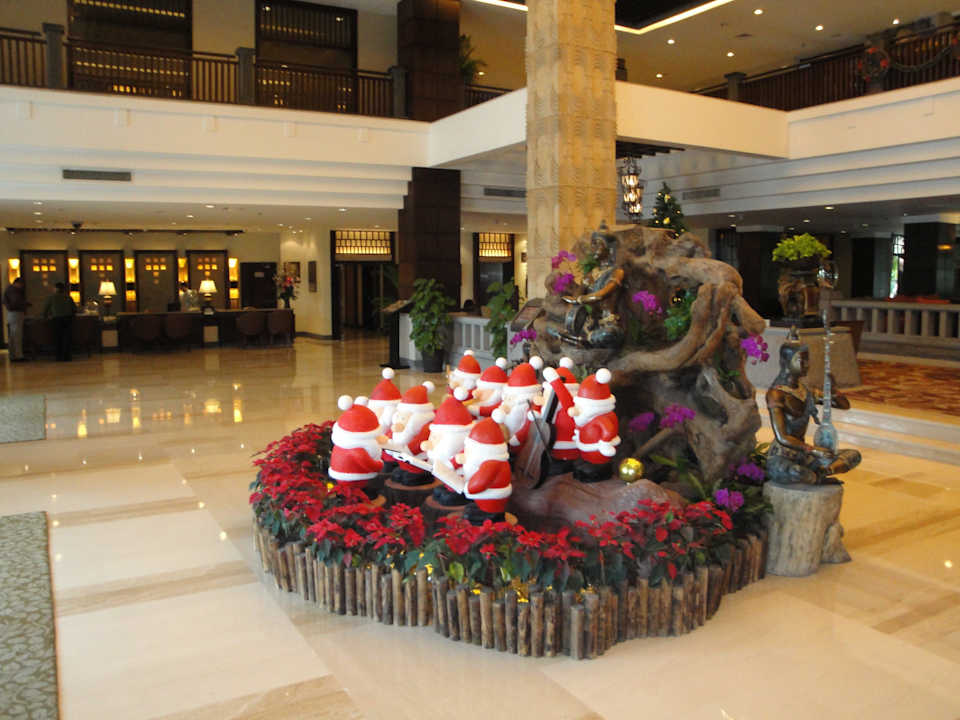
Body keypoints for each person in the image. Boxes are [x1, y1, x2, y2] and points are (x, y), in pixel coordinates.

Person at [766, 332, 861, 485]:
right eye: (801, 360)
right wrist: (813, 449)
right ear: (786, 362)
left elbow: (844, 405)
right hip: (782, 457)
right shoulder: (776, 394)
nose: (806, 365)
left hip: (804, 456)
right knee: (795, 471)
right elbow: (782, 437)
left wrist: (834, 391)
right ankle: (816, 477)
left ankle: (823, 473)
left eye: (807, 360)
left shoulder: (806, 392)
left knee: (853, 455)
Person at [43, 282, 77, 362]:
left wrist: (45, 317)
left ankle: (59, 356)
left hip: (56, 319)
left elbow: (46, 309)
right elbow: (74, 309)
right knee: (67, 338)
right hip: (68, 319)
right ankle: (67, 356)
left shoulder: (52, 297)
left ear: (55, 289)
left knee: (58, 338)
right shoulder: (68, 297)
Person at [3, 276, 28, 362]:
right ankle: (18, 355)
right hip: (16, 313)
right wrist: (24, 304)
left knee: (13, 335)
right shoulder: (14, 291)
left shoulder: (8, 289)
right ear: (17, 283)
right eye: (21, 284)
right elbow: (16, 302)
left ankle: (13, 355)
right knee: (17, 335)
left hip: (12, 314)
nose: (22, 286)